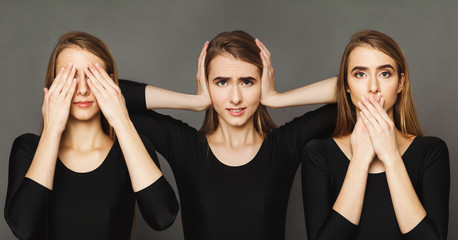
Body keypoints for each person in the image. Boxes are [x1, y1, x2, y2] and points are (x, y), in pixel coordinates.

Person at [119, 30, 337, 240]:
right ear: (206, 84)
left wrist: (276, 98)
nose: (235, 97)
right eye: (221, 82)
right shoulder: (184, 147)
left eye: (247, 82)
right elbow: (102, 94)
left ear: (263, 82)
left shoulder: (284, 146)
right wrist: (194, 101)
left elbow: (356, 92)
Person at [5, 31, 179, 240]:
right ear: (53, 85)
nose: (83, 89)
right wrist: (52, 130)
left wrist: (122, 121)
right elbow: (23, 227)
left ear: (111, 84)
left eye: (92, 77)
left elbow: (162, 217)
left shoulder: (132, 148)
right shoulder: (29, 148)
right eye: (70, 78)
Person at [301, 30, 450, 240]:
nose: (373, 87)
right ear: (345, 84)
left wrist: (390, 156)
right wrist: (360, 161)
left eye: (385, 73)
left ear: (400, 83)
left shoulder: (431, 151)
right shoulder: (318, 154)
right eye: (360, 74)